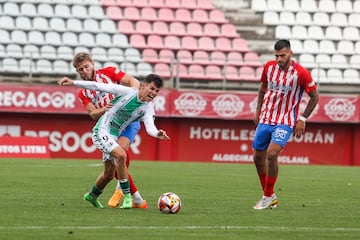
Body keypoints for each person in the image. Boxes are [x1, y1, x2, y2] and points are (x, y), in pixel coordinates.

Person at [58, 73, 170, 209]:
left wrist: (157, 133)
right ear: (144, 86)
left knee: (108, 175)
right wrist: (73, 83)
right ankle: (128, 197)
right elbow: (98, 86)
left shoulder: (148, 108)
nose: (154, 93)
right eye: (152, 88)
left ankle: (92, 196)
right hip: (102, 130)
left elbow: (150, 127)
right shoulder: (127, 92)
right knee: (121, 155)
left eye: (157, 91)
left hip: (114, 135)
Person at [63, 52, 146, 209]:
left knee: (120, 153)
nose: (84, 71)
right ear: (77, 72)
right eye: (80, 69)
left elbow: (132, 81)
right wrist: (104, 109)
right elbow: (93, 114)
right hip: (109, 126)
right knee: (109, 172)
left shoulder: (108, 72)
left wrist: (133, 95)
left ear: (93, 64)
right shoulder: (83, 92)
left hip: (128, 121)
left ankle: (130, 195)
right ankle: (94, 195)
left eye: (86, 66)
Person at [252, 39, 319, 210]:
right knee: (257, 158)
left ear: (290, 53)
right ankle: (270, 195)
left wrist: (302, 118)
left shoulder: (301, 73)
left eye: (282, 55)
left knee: (272, 154)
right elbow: (262, 89)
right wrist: (258, 111)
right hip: (266, 118)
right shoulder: (269, 67)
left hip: (285, 121)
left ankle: (267, 197)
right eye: (277, 56)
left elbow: (314, 97)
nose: (279, 59)